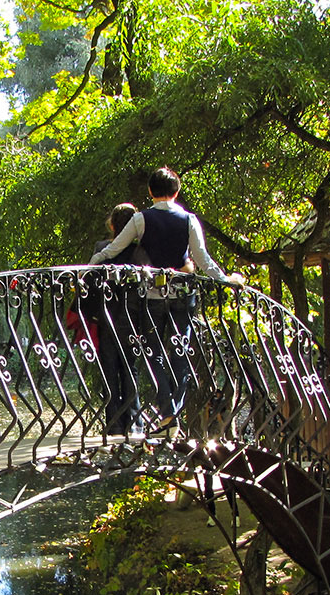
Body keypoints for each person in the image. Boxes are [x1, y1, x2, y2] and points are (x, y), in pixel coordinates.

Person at [90, 168, 241, 432]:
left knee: (154, 352)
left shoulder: (141, 219)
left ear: (150, 192)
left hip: (153, 295)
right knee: (180, 350)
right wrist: (225, 279)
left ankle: (168, 411)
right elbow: (202, 259)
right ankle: (173, 409)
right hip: (183, 295)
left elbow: (115, 248)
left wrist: (93, 263)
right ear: (176, 191)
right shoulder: (189, 219)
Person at [82, 203, 148, 434]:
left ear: (112, 224)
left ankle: (114, 425)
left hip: (105, 316)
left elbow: (89, 281)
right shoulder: (140, 250)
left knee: (109, 369)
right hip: (131, 317)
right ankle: (135, 424)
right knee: (130, 368)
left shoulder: (102, 248)